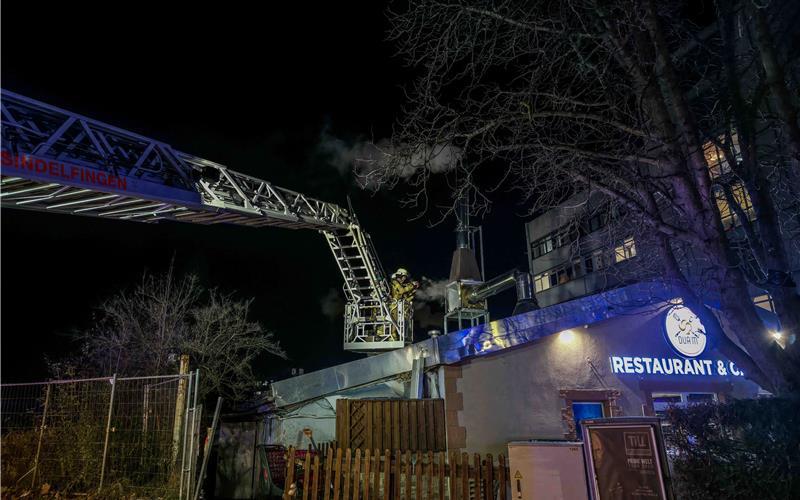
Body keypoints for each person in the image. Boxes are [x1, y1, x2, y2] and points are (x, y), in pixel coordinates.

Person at [388, 268, 419, 340]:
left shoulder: (400, 284)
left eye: (405, 277)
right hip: (393, 306)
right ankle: (392, 336)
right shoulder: (394, 282)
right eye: (403, 277)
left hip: (398, 306)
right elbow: (401, 291)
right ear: (399, 276)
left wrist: (412, 293)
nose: (404, 279)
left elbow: (405, 298)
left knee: (400, 322)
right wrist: (412, 285)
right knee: (394, 321)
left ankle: (396, 336)